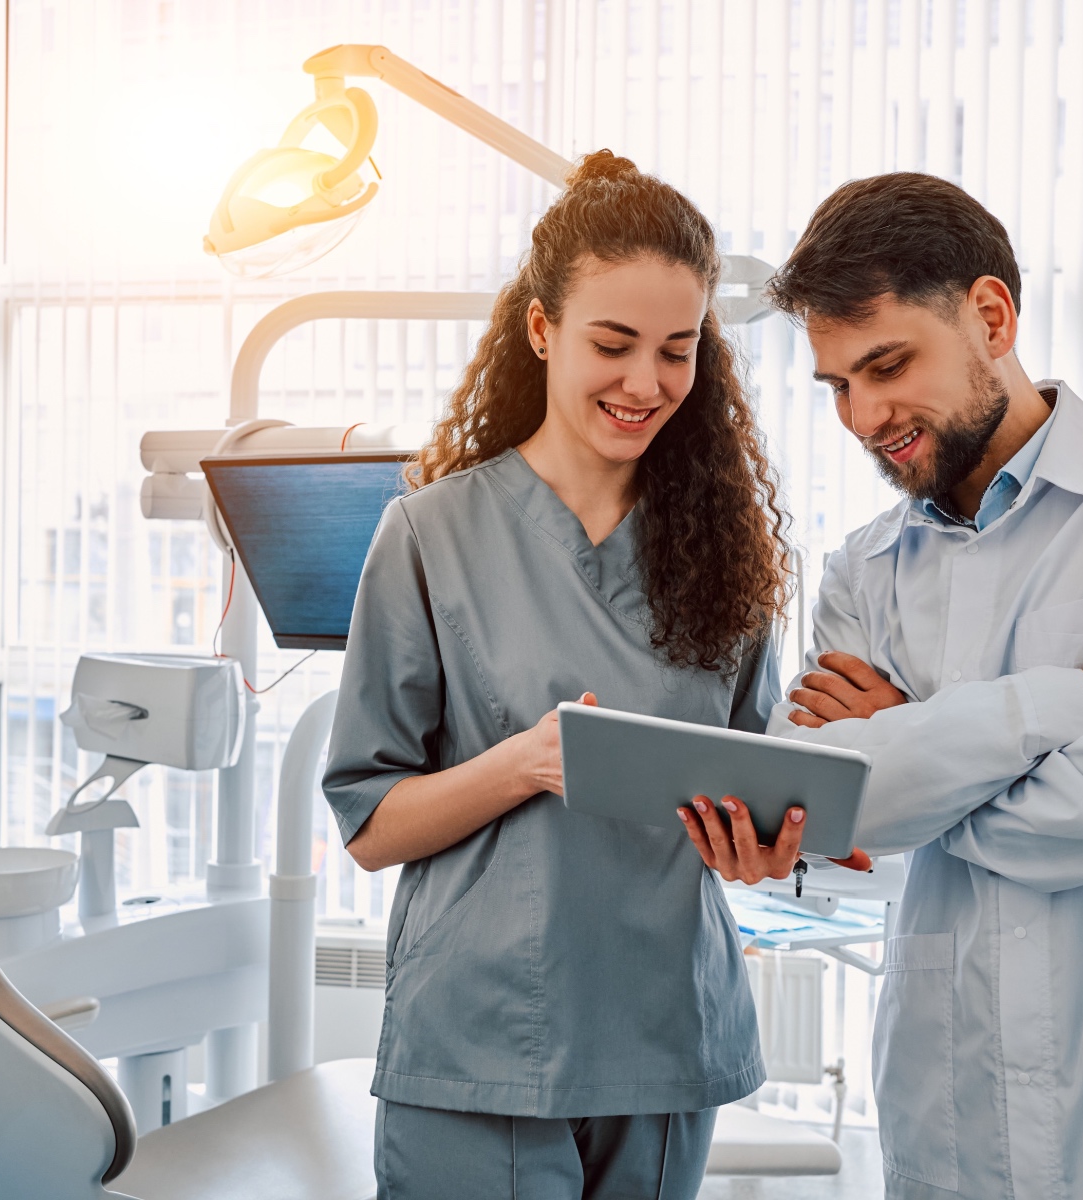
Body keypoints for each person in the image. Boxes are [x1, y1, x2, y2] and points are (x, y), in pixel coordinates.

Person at [679, 172, 1083, 1198]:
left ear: (990, 316)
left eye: (888, 364)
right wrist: (1068, 705)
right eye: (836, 386)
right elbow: (838, 804)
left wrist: (917, 760)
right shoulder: (864, 568)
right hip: (945, 1114)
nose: (865, 416)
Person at [322, 150, 806, 1200]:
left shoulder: (732, 558)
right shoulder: (431, 534)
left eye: (677, 351)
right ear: (541, 330)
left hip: (666, 1035)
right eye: (614, 344)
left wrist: (763, 850)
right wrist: (528, 764)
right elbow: (368, 825)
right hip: (483, 1040)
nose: (647, 384)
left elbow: (753, 782)